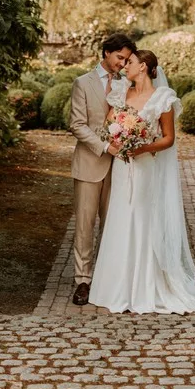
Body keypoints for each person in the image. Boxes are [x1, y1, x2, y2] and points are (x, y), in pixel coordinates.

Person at [89, 49, 195, 315]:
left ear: (144, 66)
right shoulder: (121, 95)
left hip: (146, 165)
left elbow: (169, 138)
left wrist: (142, 147)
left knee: (143, 218)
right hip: (123, 166)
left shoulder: (164, 99)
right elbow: (109, 126)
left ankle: (146, 286)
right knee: (120, 217)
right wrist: (120, 141)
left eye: (131, 62)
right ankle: (116, 288)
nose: (125, 66)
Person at [69, 32, 136, 306]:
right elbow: (77, 125)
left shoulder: (127, 84)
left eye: (127, 59)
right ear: (106, 52)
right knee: (85, 227)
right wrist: (104, 147)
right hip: (89, 163)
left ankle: (109, 281)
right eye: (120, 57)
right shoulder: (82, 83)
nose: (122, 63)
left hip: (119, 167)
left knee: (113, 225)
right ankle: (82, 281)